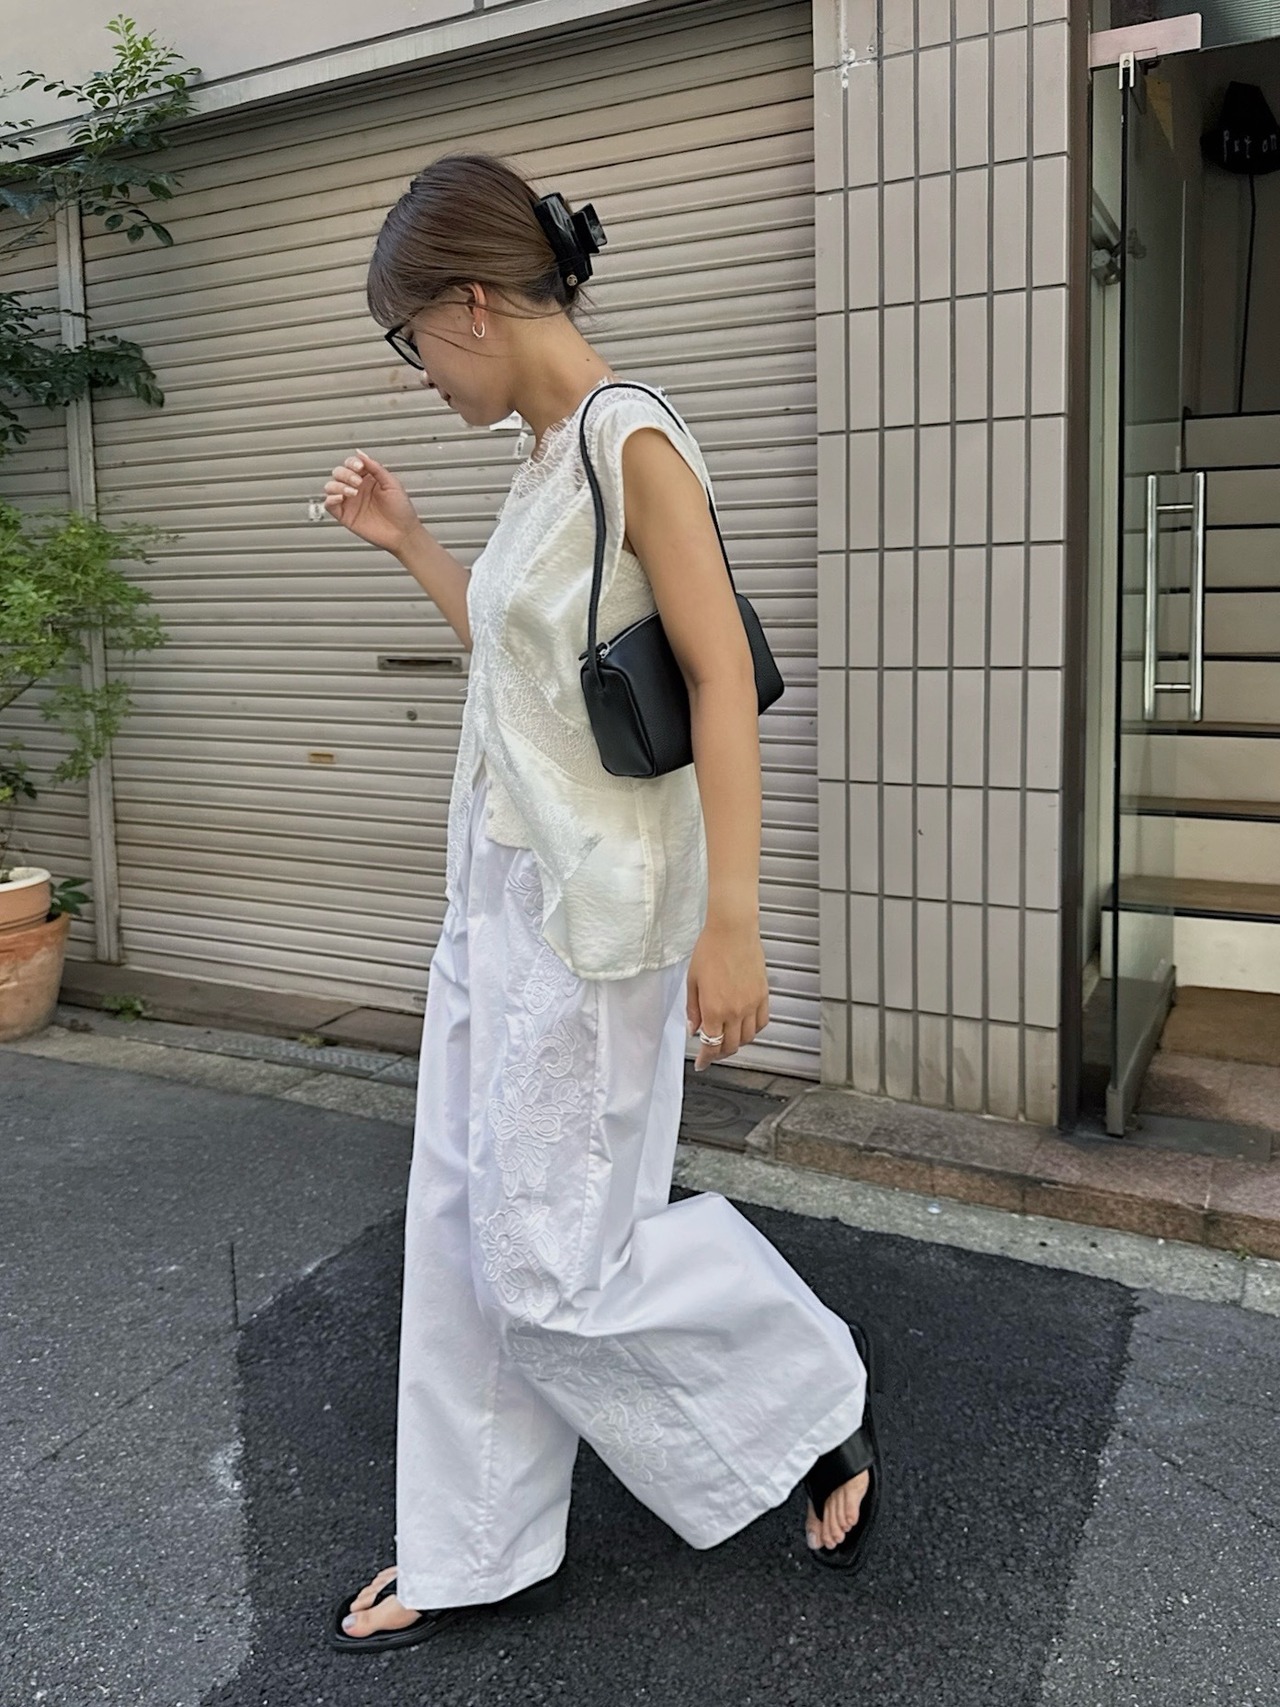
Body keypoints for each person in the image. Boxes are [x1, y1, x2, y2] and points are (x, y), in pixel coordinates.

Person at [319, 152, 883, 1656]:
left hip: (601, 915)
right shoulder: (541, 454)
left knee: (554, 1263)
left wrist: (737, 921)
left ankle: (810, 1398)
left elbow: (718, 680)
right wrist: (411, 543)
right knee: (465, 1229)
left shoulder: (633, 438)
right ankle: (471, 1549)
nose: (424, 375)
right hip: (498, 897)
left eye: (413, 342)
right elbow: (524, 670)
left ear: (473, 304)